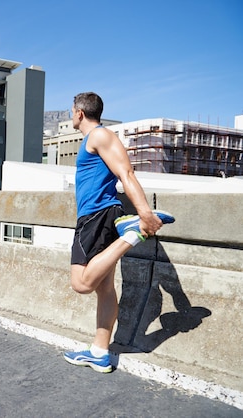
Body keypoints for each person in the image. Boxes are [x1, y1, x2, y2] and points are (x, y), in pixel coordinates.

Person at [62, 92, 175, 373]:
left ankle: (132, 235)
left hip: (96, 217)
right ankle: (100, 352)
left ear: (79, 113)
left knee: (81, 284)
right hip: (101, 216)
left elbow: (127, 174)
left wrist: (145, 215)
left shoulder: (100, 136)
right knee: (104, 288)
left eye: (71, 112)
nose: (70, 116)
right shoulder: (96, 139)